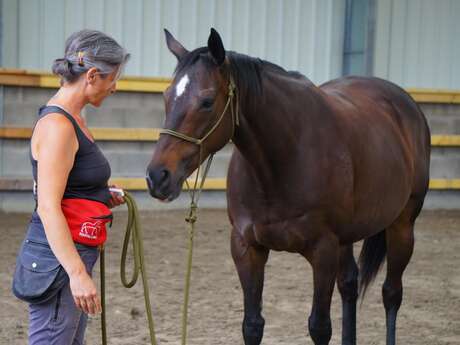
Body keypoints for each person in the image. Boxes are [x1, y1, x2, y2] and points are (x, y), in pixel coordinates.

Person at [13, 29, 130, 344]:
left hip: (70, 255)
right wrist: (78, 274)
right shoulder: (58, 127)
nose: (115, 87)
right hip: (60, 263)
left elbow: (68, 188)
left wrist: (101, 196)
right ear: (92, 75)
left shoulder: (73, 119)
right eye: (112, 79)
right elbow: (48, 206)